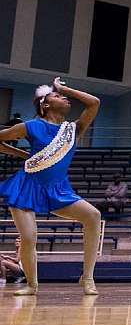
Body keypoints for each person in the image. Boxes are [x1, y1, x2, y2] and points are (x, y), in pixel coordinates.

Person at [0, 78, 102, 295]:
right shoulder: (31, 126)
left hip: (58, 190)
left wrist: (65, 89)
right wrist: (24, 155)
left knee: (93, 216)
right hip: (26, 186)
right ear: (44, 104)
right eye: (58, 96)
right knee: (28, 238)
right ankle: (31, 285)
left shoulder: (73, 129)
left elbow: (94, 103)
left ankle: (87, 277)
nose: (64, 98)